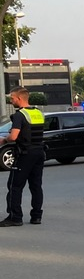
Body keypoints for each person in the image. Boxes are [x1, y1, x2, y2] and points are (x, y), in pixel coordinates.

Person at [2, 87, 46, 227]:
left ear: (19, 98)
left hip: (25, 154)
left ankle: (15, 217)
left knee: (14, 185)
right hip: (39, 153)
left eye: (12, 98)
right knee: (36, 186)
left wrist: (3, 140)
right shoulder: (38, 113)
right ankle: (36, 216)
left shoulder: (19, 115)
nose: (11, 100)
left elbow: (14, 136)